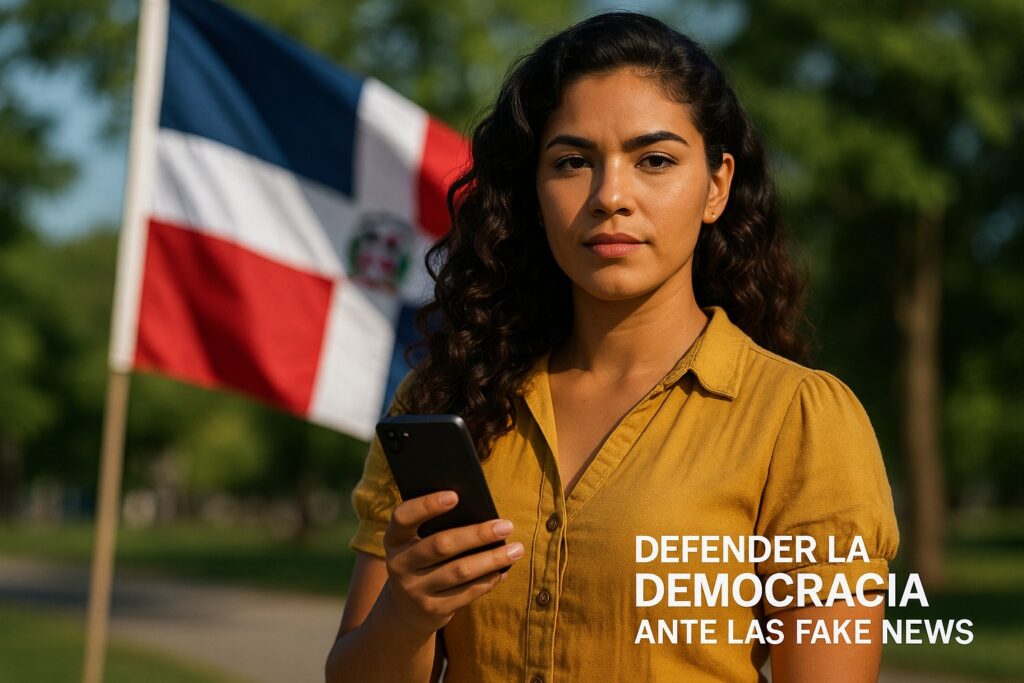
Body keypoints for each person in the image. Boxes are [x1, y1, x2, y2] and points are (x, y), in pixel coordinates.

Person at [325, 11, 899, 683]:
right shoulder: (444, 399)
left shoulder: (798, 420)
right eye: (573, 162)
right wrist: (407, 610)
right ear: (534, 194)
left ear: (715, 186)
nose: (610, 196)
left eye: (654, 160)